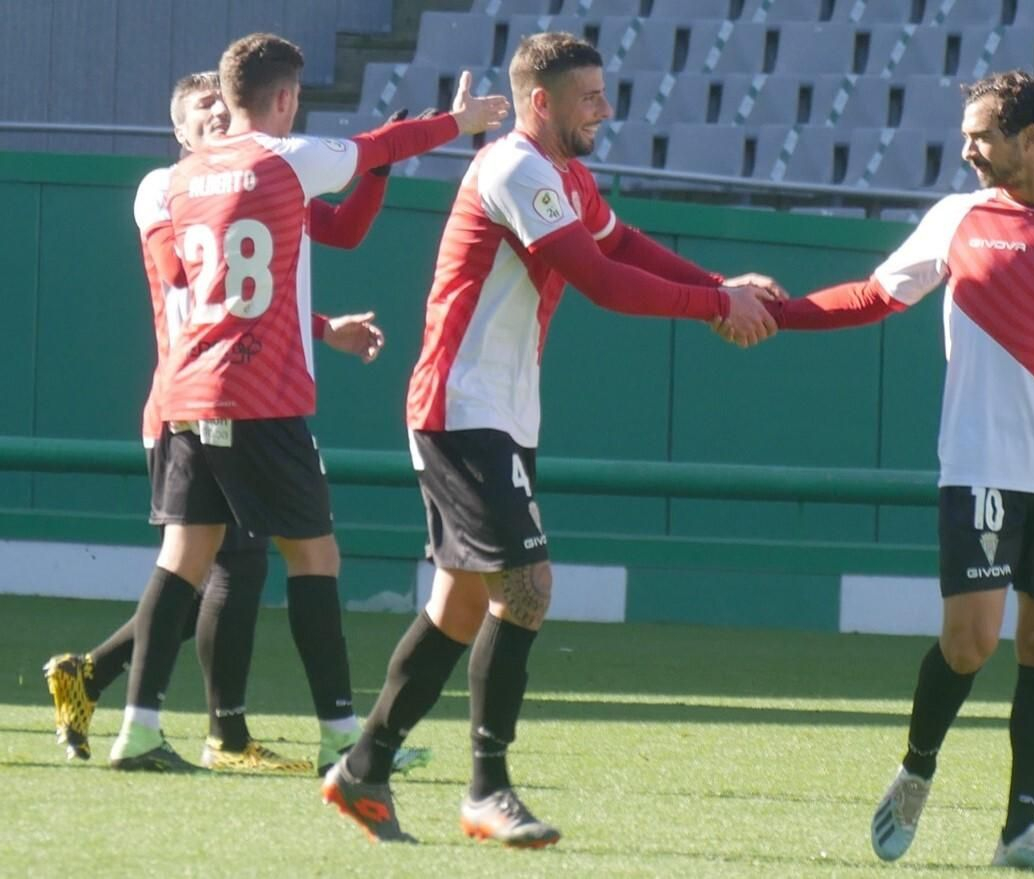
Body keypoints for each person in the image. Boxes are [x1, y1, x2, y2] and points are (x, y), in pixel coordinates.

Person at [320, 31, 781, 846]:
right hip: (463, 407)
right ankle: (487, 789)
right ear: (541, 102)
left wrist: (720, 283)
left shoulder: (566, 173)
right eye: (590, 96)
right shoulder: (512, 168)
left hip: (499, 410)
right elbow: (600, 280)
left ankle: (363, 769)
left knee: (461, 605)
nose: (605, 109)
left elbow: (621, 244)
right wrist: (715, 309)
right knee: (527, 587)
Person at [745, 71, 1034, 873]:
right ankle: (918, 766)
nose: (966, 148)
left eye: (981, 134)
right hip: (981, 462)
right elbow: (876, 296)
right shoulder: (957, 217)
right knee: (970, 641)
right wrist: (781, 313)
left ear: (1028, 136)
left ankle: (1021, 833)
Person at [105, 32, 508, 772]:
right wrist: (464, 121)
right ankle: (340, 732)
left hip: (190, 387)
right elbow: (384, 141)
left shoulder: (181, 179)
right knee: (314, 555)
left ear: (227, 100)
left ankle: (139, 727)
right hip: (261, 392)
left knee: (185, 556)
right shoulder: (287, 159)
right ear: (285, 98)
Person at [42, 72, 428, 775]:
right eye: (201, 112)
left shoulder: (253, 175)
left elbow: (337, 230)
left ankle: (105, 684)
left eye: (223, 105)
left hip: (231, 389)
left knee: (213, 567)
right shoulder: (167, 185)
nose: (217, 117)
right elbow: (194, 278)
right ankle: (224, 731)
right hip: (191, 399)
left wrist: (375, 171)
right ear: (179, 132)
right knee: (226, 567)